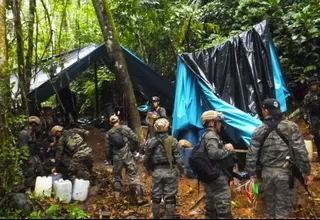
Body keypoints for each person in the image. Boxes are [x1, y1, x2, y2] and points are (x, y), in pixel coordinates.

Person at [246, 98, 312, 218]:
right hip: (285, 174)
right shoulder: (291, 127)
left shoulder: (258, 130)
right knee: (283, 209)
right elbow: (301, 151)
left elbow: (251, 155)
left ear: (265, 111)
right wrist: (306, 172)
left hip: (267, 174)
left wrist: (252, 174)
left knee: (268, 208)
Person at [144, 117, 184, 219]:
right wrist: (182, 171)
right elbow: (178, 159)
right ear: (167, 127)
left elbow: (146, 158)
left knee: (156, 198)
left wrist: (148, 169)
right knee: (170, 198)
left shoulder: (151, 141)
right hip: (170, 171)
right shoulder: (173, 141)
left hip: (157, 172)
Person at [198, 110, 234, 219]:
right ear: (212, 123)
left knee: (211, 209)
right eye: (219, 122)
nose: (220, 124)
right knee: (224, 211)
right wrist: (228, 149)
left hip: (209, 176)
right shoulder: (211, 136)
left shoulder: (204, 136)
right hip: (217, 178)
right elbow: (213, 154)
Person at [105, 115, 144, 203]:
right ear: (119, 120)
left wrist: (109, 158)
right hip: (128, 156)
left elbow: (107, 148)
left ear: (110, 123)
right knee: (133, 175)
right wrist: (133, 148)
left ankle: (117, 197)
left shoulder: (109, 133)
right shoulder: (126, 129)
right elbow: (135, 139)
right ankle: (139, 197)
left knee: (117, 176)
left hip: (116, 158)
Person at [18, 116, 44, 188]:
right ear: (33, 124)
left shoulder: (32, 133)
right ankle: (27, 189)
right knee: (29, 173)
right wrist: (28, 158)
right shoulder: (24, 133)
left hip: (34, 154)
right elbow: (23, 147)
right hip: (28, 156)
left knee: (40, 169)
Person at [303, 77, 320, 161]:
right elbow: (305, 108)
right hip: (313, 118)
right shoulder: (308, 96)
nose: (314, 86)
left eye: (315, 85)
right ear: (309, 86)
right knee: (316, 136)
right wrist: (306, 119)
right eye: (312, 85)